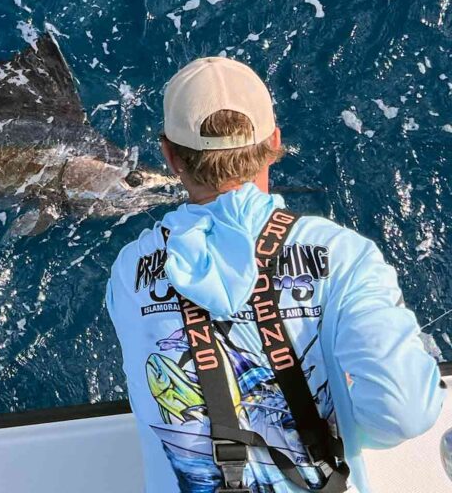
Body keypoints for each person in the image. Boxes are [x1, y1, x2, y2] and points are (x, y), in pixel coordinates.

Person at [106, 56, 444, 493]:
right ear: (274, 143)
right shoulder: (343, 254)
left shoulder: (128, 271)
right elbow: (405, 414)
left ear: (170, 156)